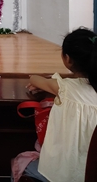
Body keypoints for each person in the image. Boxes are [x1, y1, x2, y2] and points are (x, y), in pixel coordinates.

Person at [12, 28, 97, 182]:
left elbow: (34, 79)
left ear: (67, 59)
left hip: (62, 173)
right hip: (92, 173)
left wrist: (49, 83)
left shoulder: (64, 87)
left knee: (19, 163)